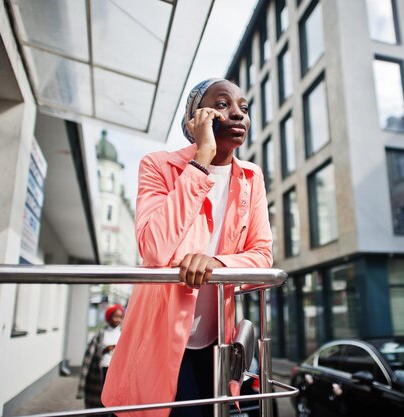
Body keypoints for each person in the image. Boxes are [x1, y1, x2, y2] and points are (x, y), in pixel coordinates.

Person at [101, 78, 273, 417]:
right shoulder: (158, 165)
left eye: (244, 107)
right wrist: (202, 159)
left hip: (216, 344)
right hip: (159, 341)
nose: (237, 113)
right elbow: (154, 247)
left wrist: (214, 263)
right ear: (196, 118)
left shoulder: (252, 178)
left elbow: (263, 257)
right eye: (222, 104)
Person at [77, 303, 124, 409]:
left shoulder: (123, 333)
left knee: (114, 398)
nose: (117, 319)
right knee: (101, 398)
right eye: (115, 316)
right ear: (109, 317)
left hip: (117, 371)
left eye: (120, 317)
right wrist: (105, 350)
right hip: (102, 370)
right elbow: (90, 355)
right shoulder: (101, 334)